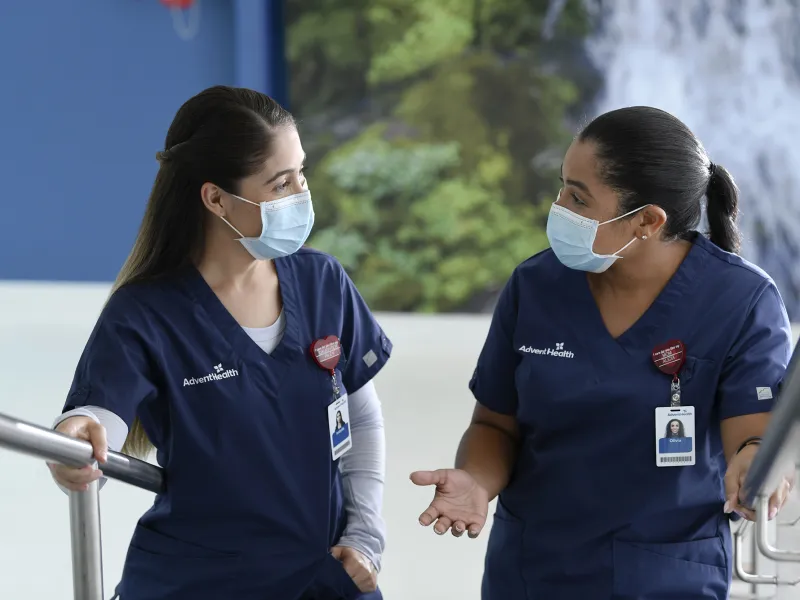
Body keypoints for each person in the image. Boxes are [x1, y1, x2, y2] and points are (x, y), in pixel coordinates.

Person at [411, 106, 795, 599]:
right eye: (562, 186)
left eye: (578, 196)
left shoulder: (740, 300)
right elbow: (494, 425)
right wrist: (475, 483)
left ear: (647, 222)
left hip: (667, 575)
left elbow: (751, 436)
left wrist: (755, 467)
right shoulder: (536, 286)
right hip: (534, 571)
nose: (557, 207)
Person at [47, 86, 392, 600]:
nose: (301, 194)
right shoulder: (146, 313)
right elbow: (97, 427)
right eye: (280, 184)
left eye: (302, 173)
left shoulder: (323, 283)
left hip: (320, 579)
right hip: (196, 583)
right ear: (215, 198)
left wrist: (365, 536)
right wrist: (74, 441)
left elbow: (359, 416)